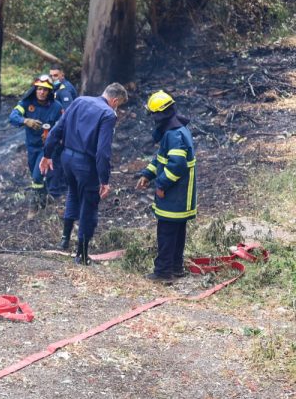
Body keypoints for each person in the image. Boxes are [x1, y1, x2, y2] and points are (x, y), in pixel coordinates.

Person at [40, 83, 129, 264]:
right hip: (85, 165)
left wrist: (47, 154)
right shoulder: (108, 114)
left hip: (67, 158)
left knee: (73, 193)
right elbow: (103, 152)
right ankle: (81, 254)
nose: (117, 109)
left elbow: (57, 129)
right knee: (89, 204)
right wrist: (104, 179)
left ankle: (65, 240)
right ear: (115, 100)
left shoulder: (79, 101)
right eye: (118, 105)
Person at [136, 90, 197, 282]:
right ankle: (176, 268)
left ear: (160, 114)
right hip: (179, 195)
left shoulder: (174, 135)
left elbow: (176, 165)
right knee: (177, 232)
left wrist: (161, 184)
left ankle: (163, 273)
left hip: (175, 194)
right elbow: (161, 158)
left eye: (153, 115)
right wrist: (148, 174)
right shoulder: (174, 130)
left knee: (166, 233)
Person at [9, 75, 64, 209]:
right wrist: (25, 121)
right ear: (35, 89)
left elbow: (65, 125)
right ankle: (45, 199)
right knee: (36, 175)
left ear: (49, 92)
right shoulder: (27, 103)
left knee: (37, 176)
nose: (41, 92)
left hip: (47, 148)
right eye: (39, 89)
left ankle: (34, 206)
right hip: (31, 146)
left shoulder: (56, 107)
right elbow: (12, 117)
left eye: (45, 90)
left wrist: (54, 136)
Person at [47, 68, 78, 198]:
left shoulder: (64, 89)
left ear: (62, 75)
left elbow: (68, 113)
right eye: (51, 75)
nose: (53, 78)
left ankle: (55, 190)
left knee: (56, 158)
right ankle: (62, 186)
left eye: (55, 75)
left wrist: (62, 134)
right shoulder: (57, 88)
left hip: (64, 130)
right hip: (60, 128)